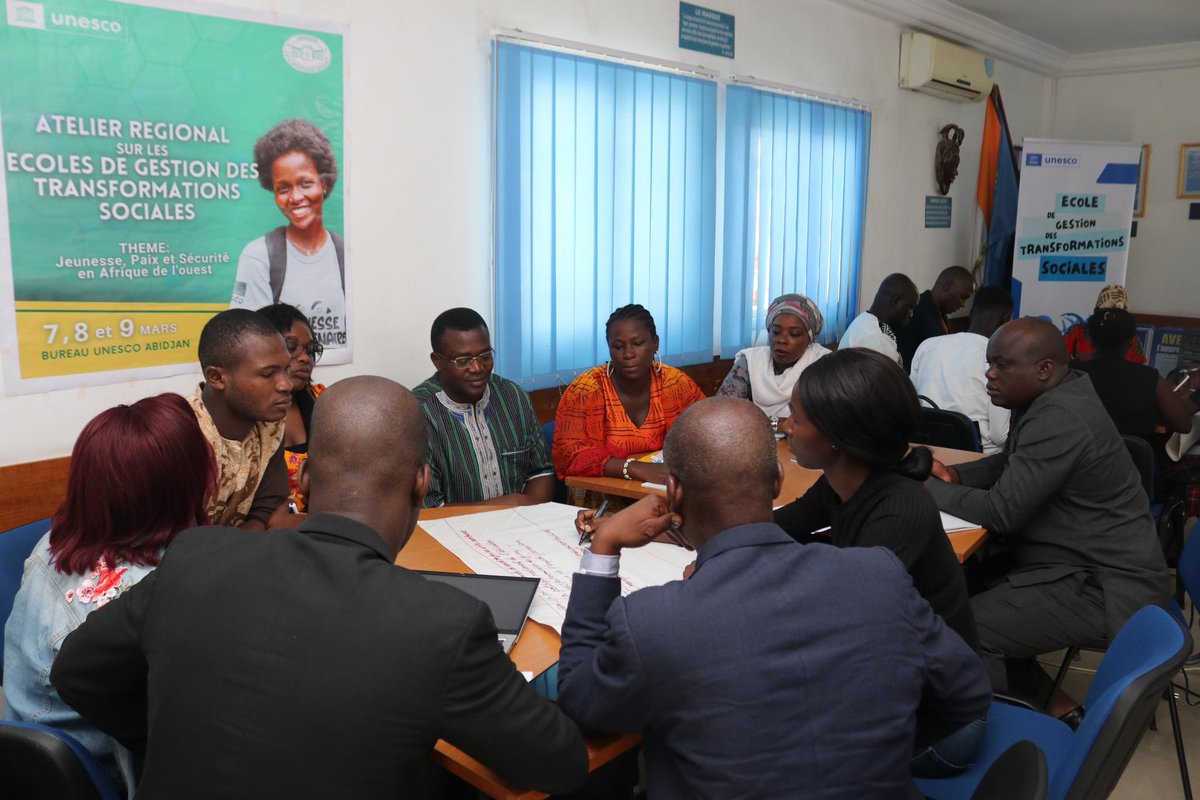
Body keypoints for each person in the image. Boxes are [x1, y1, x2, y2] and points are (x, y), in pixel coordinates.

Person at [50, 377, 588, 799]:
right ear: (421, 482)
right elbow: (559, 763)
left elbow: (76, 672)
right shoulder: (441, 625)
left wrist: (173, 737)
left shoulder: (197, 556)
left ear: (303, 483)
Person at [558, 398, 990, 798]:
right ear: (779, 481)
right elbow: (967, 693)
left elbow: (581, 701)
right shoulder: (877, 574)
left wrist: (604, 546)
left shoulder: (653, 621)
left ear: (674, 493)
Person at [927, 318, 1170, 703]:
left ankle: (998, 731)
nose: (989, 374)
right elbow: (1011, 462)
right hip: (1073, 560)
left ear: (1044, 369)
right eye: (990, 362)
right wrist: (954, 476)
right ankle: (1057, 709)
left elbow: (1002, 511)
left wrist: (927, 491)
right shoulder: (1051, 395)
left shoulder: (1060, 416)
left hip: (1104, 584)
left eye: (1002, 365)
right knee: (955, 589)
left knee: (965, 626)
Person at [4, 394, 215, 796]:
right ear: (183, 485)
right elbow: (178, 724)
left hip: (27, 760)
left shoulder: (50, 544)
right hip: (101, 774)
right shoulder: (153, 593)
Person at [774, 348, 978, 652]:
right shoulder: (839, 481)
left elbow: (843, 611)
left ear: (837, 436)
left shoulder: (901, 509)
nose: (786, 427)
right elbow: (779, 525)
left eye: (797, 419)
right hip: (881, 649)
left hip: (930, 672)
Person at [414, 307, 554, 507]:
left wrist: (526, 518)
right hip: (448, 534)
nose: (477, 368)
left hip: (521, 529)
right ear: (438, 361)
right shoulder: (418, 414)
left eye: (485, 356)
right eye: (462, 360)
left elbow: (541, 473)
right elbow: (430, 507)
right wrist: (506, 507)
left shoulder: (513, 397)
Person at [552, 304, 705, 485]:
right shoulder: (586, 390)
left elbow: (706, 437)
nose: (629, 354)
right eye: (618, 346)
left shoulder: (675, 384)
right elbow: (566, 458)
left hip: (663, 489)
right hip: (601, 497)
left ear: (655, 343)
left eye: (638, 343)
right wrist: (634, 469)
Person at [231, 119, 347, 353]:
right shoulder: (259, 256)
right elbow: (248, 343)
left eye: (305, 183)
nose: (295, 197)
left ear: (324, 184)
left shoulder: (347, 254)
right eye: (283, 188)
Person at [190, 308, 293, 530]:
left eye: (286, 370)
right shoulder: (179, 433)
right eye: (268, 374)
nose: (286, 384)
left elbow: (269, 508)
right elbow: (178, 539)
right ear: (216, 378)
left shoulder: (271, 425)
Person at [911, 286, 1014, 454]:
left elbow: (911, 403)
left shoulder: (928, 346)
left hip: (926, 450)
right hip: (976, 456)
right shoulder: (999, 362)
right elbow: (1000, 436)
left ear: (972, 313)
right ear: (1006, 320)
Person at [1073, 307, 1192, 442]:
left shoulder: (1072, 373)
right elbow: (1184, 425)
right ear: (1131, 342)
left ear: (1091, 339)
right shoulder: (1149, 378)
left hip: (1078, 457)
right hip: (1133, 460)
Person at [716, 293, 830, 430]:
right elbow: (722, 412)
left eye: (794, 334)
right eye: (776, 332)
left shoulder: (823, 364)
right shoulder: (751, 361)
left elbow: (823, 420)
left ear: (810, 338)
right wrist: (777, 423)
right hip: (755, 440)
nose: (781, 340)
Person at [258, 303, 326, 511]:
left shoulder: (323, 399)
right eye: (292, 347)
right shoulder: (247, 413)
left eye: (310, 349)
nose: (305, 358)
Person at [897, 266, 975, 371]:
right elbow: (903, 358)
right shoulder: (915, 311)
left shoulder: (941, 314)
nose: (963, 305)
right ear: (946, 287)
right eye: (962, 297)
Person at [838, 273, 920, 368]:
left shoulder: (866, 320)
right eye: (910, 307)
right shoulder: (876, 338)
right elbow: (890, 381)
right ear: (895, 301)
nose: (911, 315)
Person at [1062, 284, 1146, 364]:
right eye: (1107, 313)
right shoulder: (1077, 331)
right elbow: (1061, 361)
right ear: (1096, 312)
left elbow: (1139, 369)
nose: (1111, 318)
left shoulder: (1131, 338)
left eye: (1118, 313)